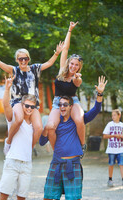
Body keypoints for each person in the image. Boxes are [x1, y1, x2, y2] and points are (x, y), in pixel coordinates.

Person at [33, 76, 107, 200]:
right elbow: (42, 141)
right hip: (56, 162)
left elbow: (95, 111)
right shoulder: (54, 122)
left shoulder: (77, 120)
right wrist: (46, 128)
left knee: (76, 197)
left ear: (71, 106)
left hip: (73, 163)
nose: (62, 107)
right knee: (48, 195)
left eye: (65, 104)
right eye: (60, 104)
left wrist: (99, 95)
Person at [0, 41, 64, 154]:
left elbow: (49, 63)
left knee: (39, 128)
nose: (23, 61)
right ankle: (8, 142)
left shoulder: (35, 69)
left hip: (32, 103)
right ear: (17, 60)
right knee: (18, 119)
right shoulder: (14, 70)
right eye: (20, 59)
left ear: (28, 59)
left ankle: (29, 149)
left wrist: (57, 53)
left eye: (25, 58)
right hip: (18, 101)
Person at [0, 75, 37, 200]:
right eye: (27, 106)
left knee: (22, 197)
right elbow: (6, 105)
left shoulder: (33, 124)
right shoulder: (14, 119)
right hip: (12, 162)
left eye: (32, 106)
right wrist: (7, 88)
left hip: (26, 164)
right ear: (22, 105)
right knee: (4, 193)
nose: (29, 109)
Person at [46, 21, 85, 151]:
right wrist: (70, 30)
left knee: (79, 120)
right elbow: (66, 49)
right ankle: (56, 150)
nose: (74, 67)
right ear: (69, 63)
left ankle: (82, 145)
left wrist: (77, 78)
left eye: (77, 65)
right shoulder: (62, 69)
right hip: (58, 101)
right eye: (72, 64)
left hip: (72, 101)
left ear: (79, 67)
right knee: (50, 126)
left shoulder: (77, 78)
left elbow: (78, 83)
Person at [103, 109, 123, 187]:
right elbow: (104, 136)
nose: (113, 117)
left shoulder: (122, 125)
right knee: (111, 164)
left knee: (122, 164)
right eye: (112, 115)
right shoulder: (109, 124)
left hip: (120, 149)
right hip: (111, 149)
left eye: (114, 115)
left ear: (119, 115)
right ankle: (110, 179)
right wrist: (114, 135)